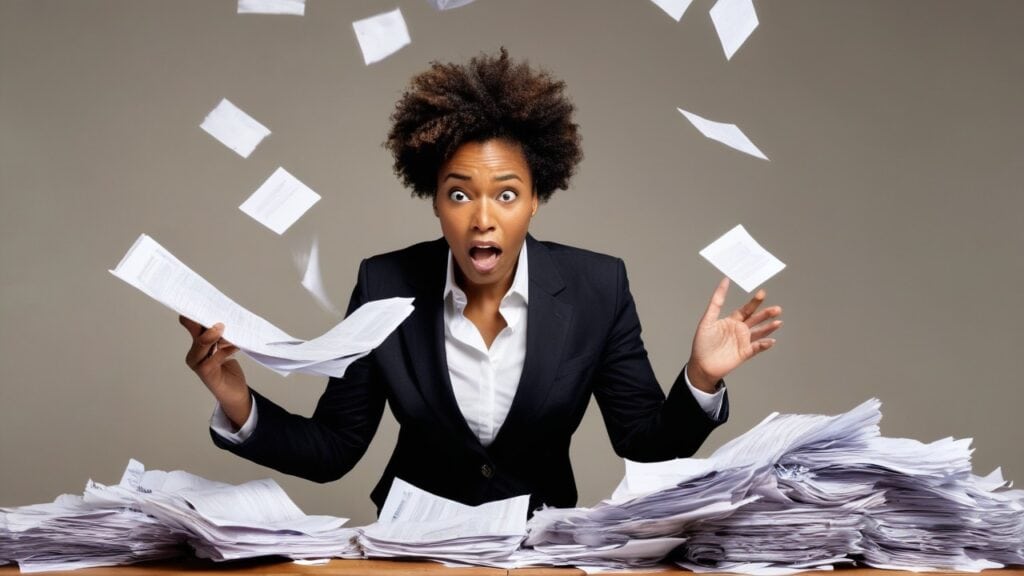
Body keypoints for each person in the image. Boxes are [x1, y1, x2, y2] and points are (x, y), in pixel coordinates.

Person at [178, 49, 783, 514]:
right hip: (413, 553)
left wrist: (700, 378)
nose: (483, 217)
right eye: (459, 193)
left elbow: (644, 442)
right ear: (435, 201)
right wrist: (234, 396)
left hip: (537, 552)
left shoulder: (598, 287)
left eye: (507, 194)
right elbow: (334, 448)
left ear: (537, 199)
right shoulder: (385, 282)